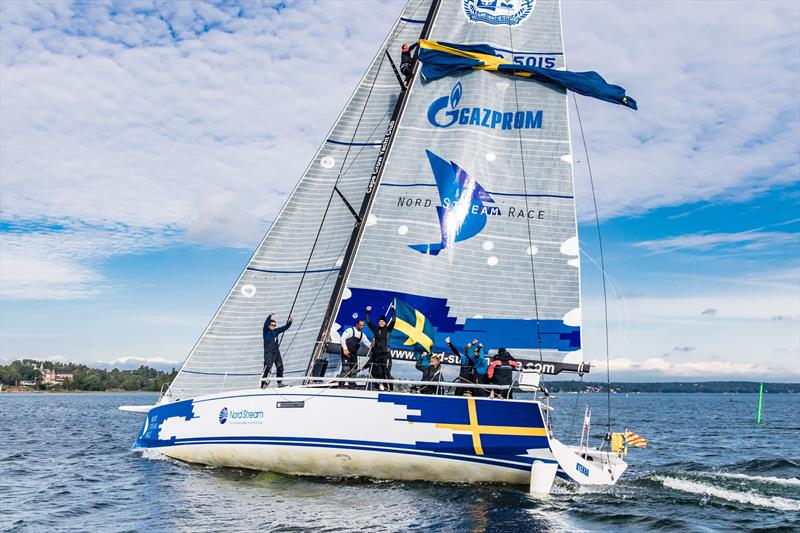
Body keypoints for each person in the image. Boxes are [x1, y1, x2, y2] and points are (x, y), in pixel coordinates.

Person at [363, 305, 395, 391]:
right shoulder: (376, 330)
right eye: (380, 321)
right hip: (378, 354)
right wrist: (367, 312)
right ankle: (385, 388)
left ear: (385, 322)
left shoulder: (388, 329)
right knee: (380, 372)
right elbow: (368, 322)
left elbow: (393, 320)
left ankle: (391, 388)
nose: (381, 322)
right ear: (378, 322)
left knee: (386, 371)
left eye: (383, 321)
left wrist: (393, 310)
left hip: (386, 354)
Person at [261, 311, 293, 388]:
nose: (273, 326)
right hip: (269, 352)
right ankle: (263, 383)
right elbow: (265, 324)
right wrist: (270, 315)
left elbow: (285, 327)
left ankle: (279, 383)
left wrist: (290, 321)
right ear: (269, 326)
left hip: (276, 352)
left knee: (280, 366)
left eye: (275, 325)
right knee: (268, 366)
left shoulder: (276, 331)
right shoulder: (266, 331)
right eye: (272, 325)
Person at [339, 319, 371, 388]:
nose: (362, 327)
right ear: (357, 325)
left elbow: (367, 343)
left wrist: (373, 345)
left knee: (354, 370)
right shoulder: (350, 330)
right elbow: (342, 339)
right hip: (346, 352)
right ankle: (341, 385)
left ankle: (352, 385)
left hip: (353, 354)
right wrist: (345, 349)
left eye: (363, 325)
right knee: (346, 369)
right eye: (360, 325)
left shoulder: (362, 335)